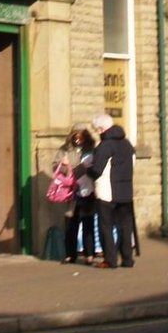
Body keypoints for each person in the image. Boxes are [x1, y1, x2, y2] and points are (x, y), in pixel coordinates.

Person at [88, 113, 136, 269]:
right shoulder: (127, 144)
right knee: (125, 227)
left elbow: (97, 171)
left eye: (97, 130)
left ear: (101, 129)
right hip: (126, 191)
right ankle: (128, 259)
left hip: (106, 192)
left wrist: (86, 169)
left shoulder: (105, 146)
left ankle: (110, 259)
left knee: (106, 227)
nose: (97, 133)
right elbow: (133, 165)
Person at [59, 125, 97, 264]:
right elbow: (55, 166)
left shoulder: (91, 149)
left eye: (80, 137)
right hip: (71, 191)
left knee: (88, 223)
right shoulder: (65, 150)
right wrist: (64, 166)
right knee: (70, 223)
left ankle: (89, 254)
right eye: (75, 137)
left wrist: (78, 170)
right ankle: (70, 254)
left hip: (87, 190)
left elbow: (95, 167)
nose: (77, 140)